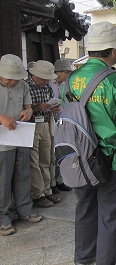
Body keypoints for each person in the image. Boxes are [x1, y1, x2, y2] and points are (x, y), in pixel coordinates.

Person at [68, 21, 116, 265]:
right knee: (110, 216)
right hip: (115, 159)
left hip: (79, 156)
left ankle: (83, 258)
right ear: (113, 51)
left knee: (85, 208)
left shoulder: (70, 79)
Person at [0, 54, 42, 236]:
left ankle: (25, 209)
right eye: (9, 78)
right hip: (2, 141)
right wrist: (1, 118)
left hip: (21, 136)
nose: (13, 82)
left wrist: (28, 111)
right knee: (3, 179)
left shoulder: (23, 85)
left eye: (16, 78)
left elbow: (29, 106)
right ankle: (3, 217)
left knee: (24, 174)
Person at [26, 60, 62, 208]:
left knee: (46, 159)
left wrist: (51, 108)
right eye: (43, 78)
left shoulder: (47, 86)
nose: (46, 81)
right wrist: (36, 107)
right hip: (32, 124)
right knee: (34, 161)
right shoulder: (26, 86)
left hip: (46, 122)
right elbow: (24, 108)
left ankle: (47, 189)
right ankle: (38, 194)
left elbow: (48, 103)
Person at [49, 58, 73, 194]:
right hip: (51, 120)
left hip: (63, 120)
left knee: (62, 151)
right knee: (51, 154)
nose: (67, 75)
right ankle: (52, 183)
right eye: (66, 72)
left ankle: (60, 180)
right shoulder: (50, 84)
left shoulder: (65, 84)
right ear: (59, 72)